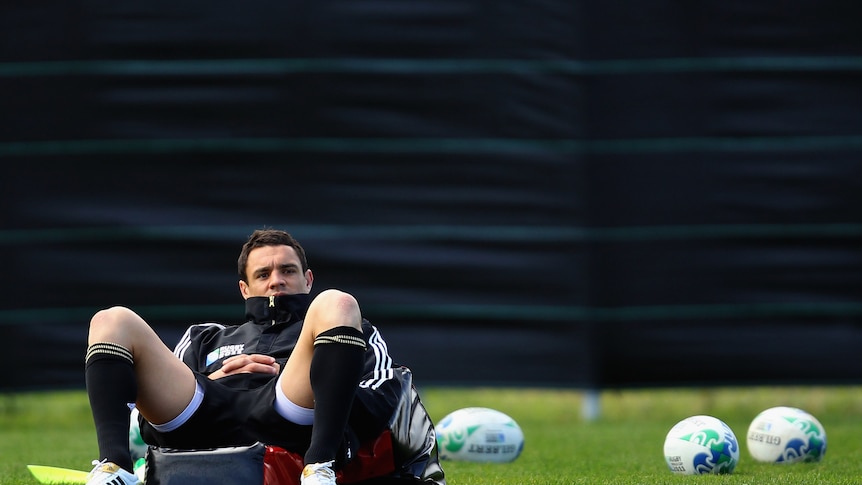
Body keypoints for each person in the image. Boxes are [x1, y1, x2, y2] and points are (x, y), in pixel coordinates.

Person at [84, 228, 408, 485]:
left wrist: (300, 377)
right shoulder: (205, 336)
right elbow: (149, 419)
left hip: (289, 410)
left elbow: (380, 397)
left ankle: (319, 468)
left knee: (338, 302)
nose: (276, 280)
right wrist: (210, 380)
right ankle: (114, 468)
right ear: (245, 288)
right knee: (111, 320)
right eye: (263, 274)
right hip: (204, 409)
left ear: (307, 280)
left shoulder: (341, 326)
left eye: (288, 270)